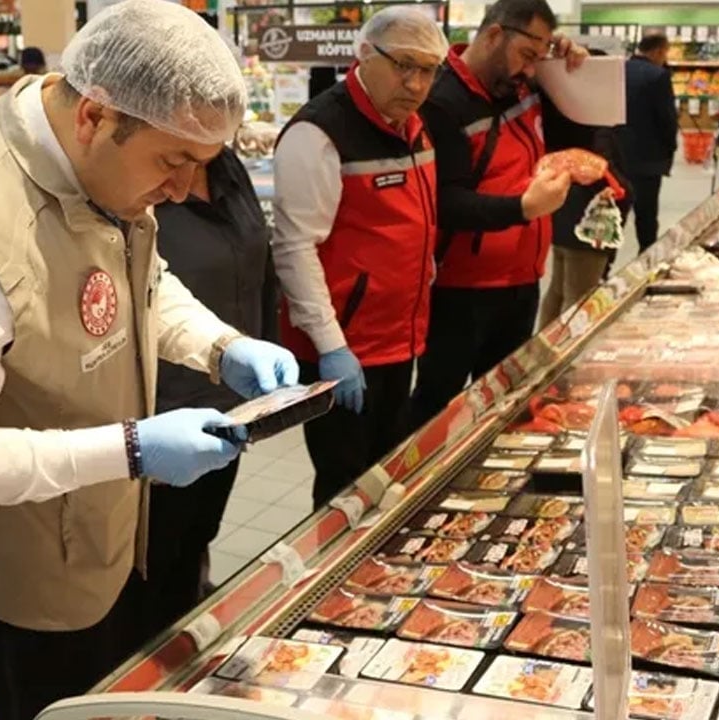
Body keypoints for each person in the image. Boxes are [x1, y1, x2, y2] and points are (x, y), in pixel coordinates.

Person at [0, 2, 297, 719]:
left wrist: (221, 346)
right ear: (94, 117)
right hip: (26, 573)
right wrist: (131, 448)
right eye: (173, 162)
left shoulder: (102, 164)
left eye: (199, 165)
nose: (181, 190)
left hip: (110, 532)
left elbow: (143, 282)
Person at [272, 7, 447, 509]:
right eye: (404, 65)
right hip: (346, 347)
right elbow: (294, 246)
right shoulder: (319, 133)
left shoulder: (412, 125)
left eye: (428, 71)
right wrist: (331, 345)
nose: (416, 84)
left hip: (399, 338)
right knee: (343, 487)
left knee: (384, 472)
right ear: (365, 55)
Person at [409, 0, 582, 430]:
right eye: (526, 54)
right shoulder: (442, 100)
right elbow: (444, 202)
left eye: (539, 57)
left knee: (505, 405)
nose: (530, 68)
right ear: (493, 35)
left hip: (522, 280)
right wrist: (522, 209)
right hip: (460, 290)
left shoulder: (524, 86)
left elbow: (581, 135)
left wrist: (570, 69)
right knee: (438, 410)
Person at [138, 142, 279, 641]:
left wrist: (252, 349)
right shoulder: (139, 177)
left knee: (198, 532)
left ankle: (187, 614)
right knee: (156, 556)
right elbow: (149, 289)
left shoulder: (225, 165)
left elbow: (259, 263)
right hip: (162, 408)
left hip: (229, 400)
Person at [536, 94, 635, 327]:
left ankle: (544, 347)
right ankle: (566, 348)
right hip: (590, 220)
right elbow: (603, 167)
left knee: (558, 289)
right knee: (579, 298)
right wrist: (626, 190)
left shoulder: (560, 106)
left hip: (562, 208)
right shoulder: (594, 122)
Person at [621, 33, 677, 253]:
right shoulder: (658, 76)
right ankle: (646, 258)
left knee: (615, 212)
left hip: (617, 154)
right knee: (646, 215)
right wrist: (670, 148)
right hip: (648, 158)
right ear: (659, 51)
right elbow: (667, 119)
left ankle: (603, 264)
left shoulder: (619, 69)